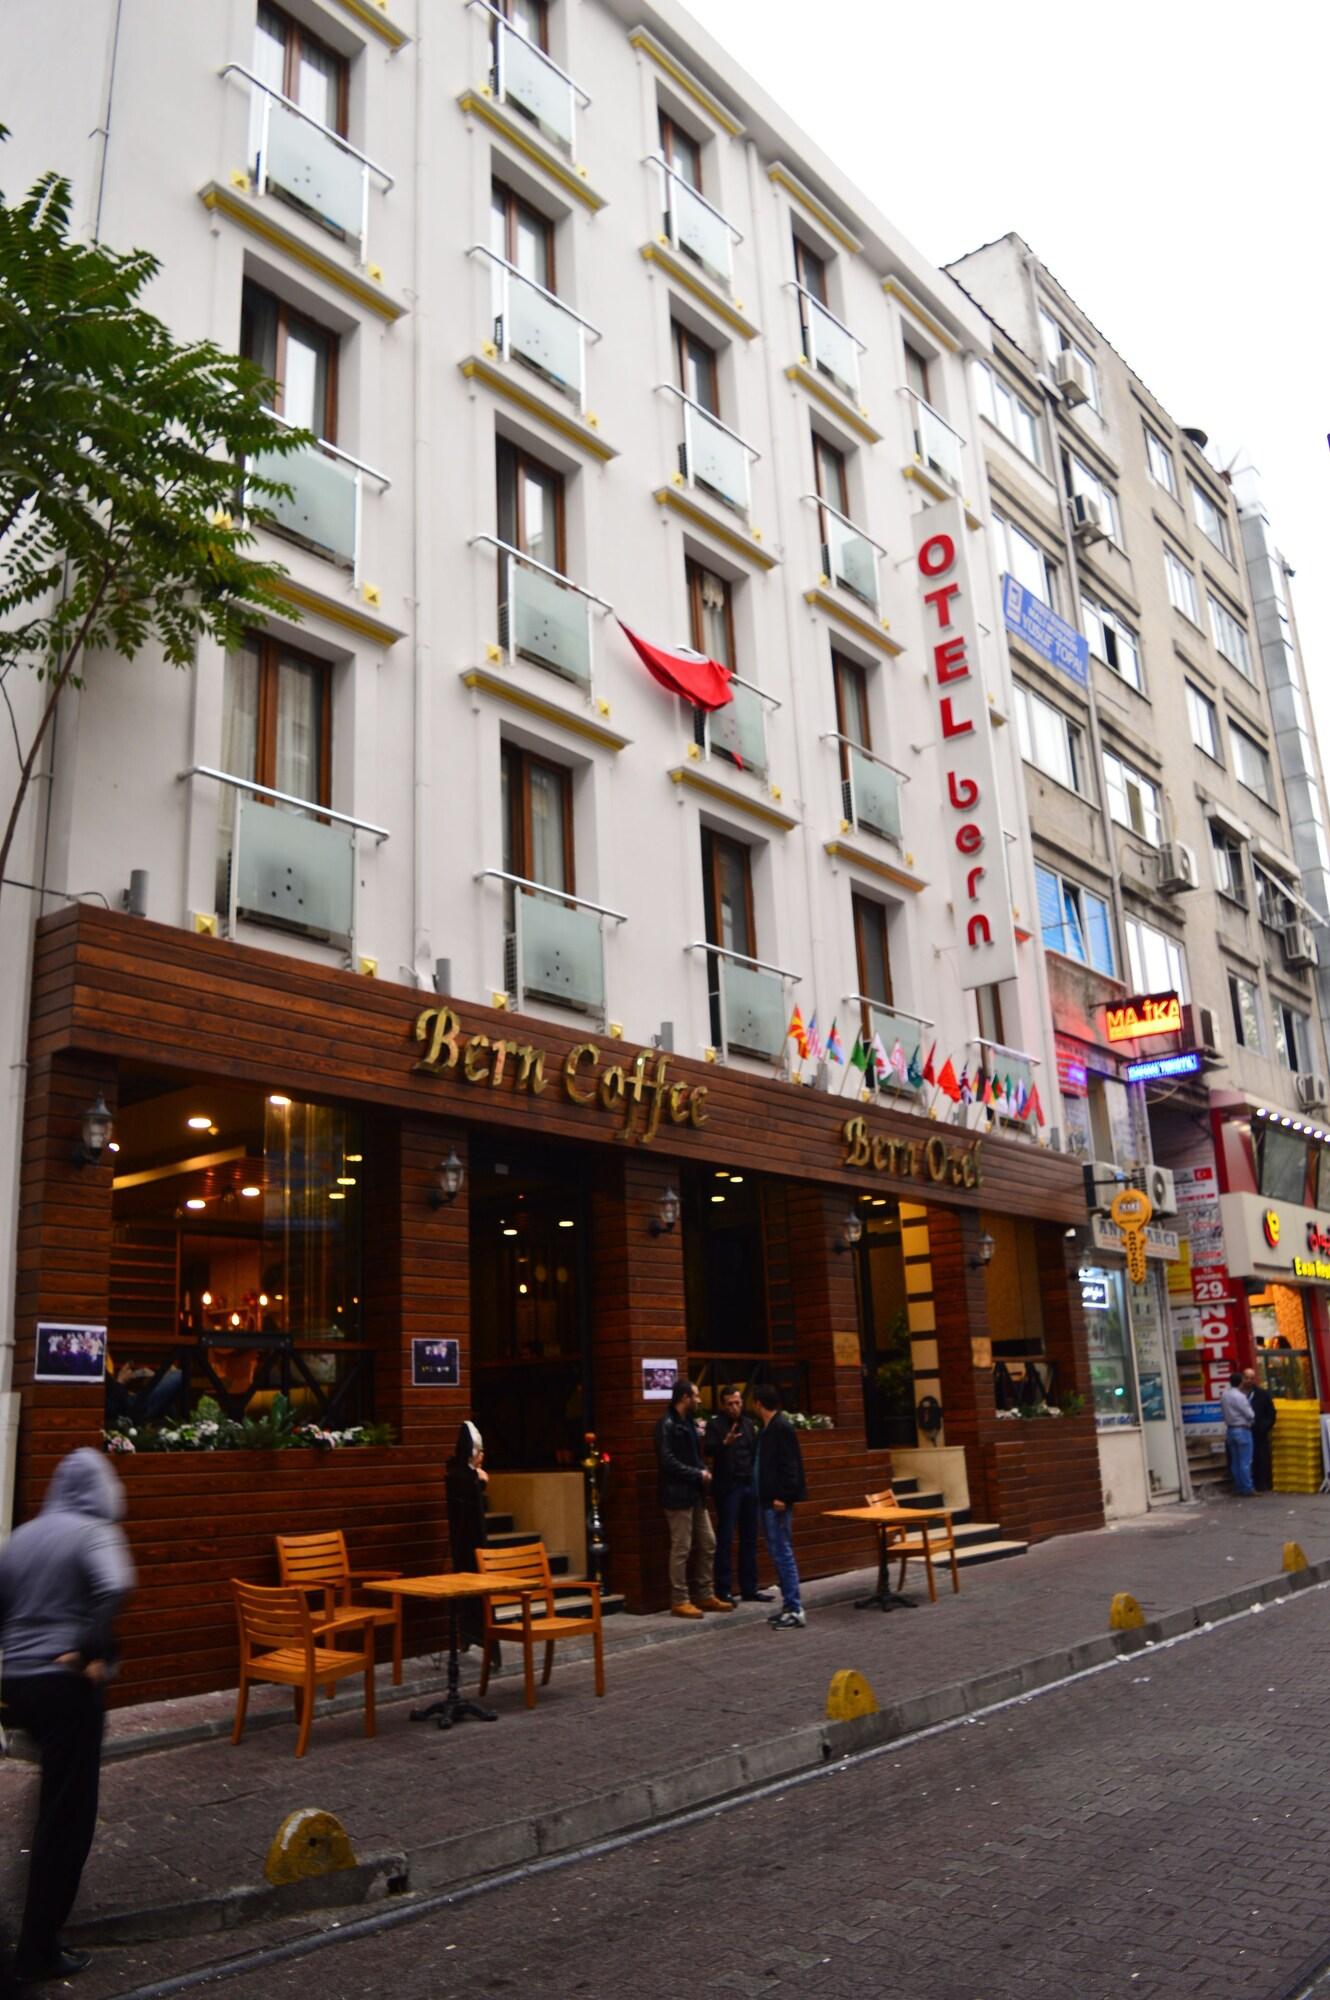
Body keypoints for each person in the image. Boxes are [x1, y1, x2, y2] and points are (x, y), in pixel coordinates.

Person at [0, 1448, 135, 1987]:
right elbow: (116, 1585)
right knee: (67, 1817)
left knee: (48, 1803)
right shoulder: (92, 1531)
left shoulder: (24, 1535)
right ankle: (38, 1948)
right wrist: (88, 1649)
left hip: (15, 1684)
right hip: (63, 1686)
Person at [654, 1380, 731, 1620]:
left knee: (708, 1542)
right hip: (677, 1495)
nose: (699, 1400)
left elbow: (693, 1455)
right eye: (695, 1396)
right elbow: (667, 1461)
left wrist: (701, 1469)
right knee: (682, 1547)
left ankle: (705, 1593)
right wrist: (697, 1473)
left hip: (694, 1493)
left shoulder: (687, 1422)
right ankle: (679, 1600)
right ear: (684, 1397)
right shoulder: (666, 1424)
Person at [705, 1386, 770, 1605]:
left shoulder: (749, 1424)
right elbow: (708, 1450)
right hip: (729, 1488)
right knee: (725, 1538)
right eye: (730, 1404)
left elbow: (753, 1453)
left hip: (748, 1484)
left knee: (750, 1537)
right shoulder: (715, 1425)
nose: (734, 1407)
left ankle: (749, 1588)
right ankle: (723, 1590)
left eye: (737, 1403)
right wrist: (725, 1443)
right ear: (723, 1405)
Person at [753, 1386, 808, 1628]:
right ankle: (788, 1606)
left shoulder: (780, 1428)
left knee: (783, 1552)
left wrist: (783, 1496)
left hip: (776, 1502)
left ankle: (795, 1609)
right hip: (767, 1499)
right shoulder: (769, 1428)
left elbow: (790, 1465)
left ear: (759, 1403)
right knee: (777, 1552)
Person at [445, 1421, 491, 1653]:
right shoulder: (460, 1476)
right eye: (479, 1451)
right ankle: (467, 1633)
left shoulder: (468, 1476)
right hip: (465, 1545)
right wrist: (478, 1481)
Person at [1220, 1369, 1256, 1496]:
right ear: (1241, 1382)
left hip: (1230, 1429)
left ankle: (1239, 1487)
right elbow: (1249, 1414)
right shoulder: (1240, 1397)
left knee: (1235, 1461)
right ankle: (1248, 1488)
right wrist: (1252, 1419)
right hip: (1242, 1429)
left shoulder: (1225, 1395)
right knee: (1245, 1461)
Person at [1243, 1366, 1278, 1493]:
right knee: (1246, 1458)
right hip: (1245, 1430)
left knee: (1261, 1457)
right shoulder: (1239, 1394)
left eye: (1251, 1378)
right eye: (1247, 1378)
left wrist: (1265, 1426)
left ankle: (1263, 1483)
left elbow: (1271, 1413)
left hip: (1259, 1432)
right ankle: (1249, 1483)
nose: (1249, 1381)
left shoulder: (1262, 1394)